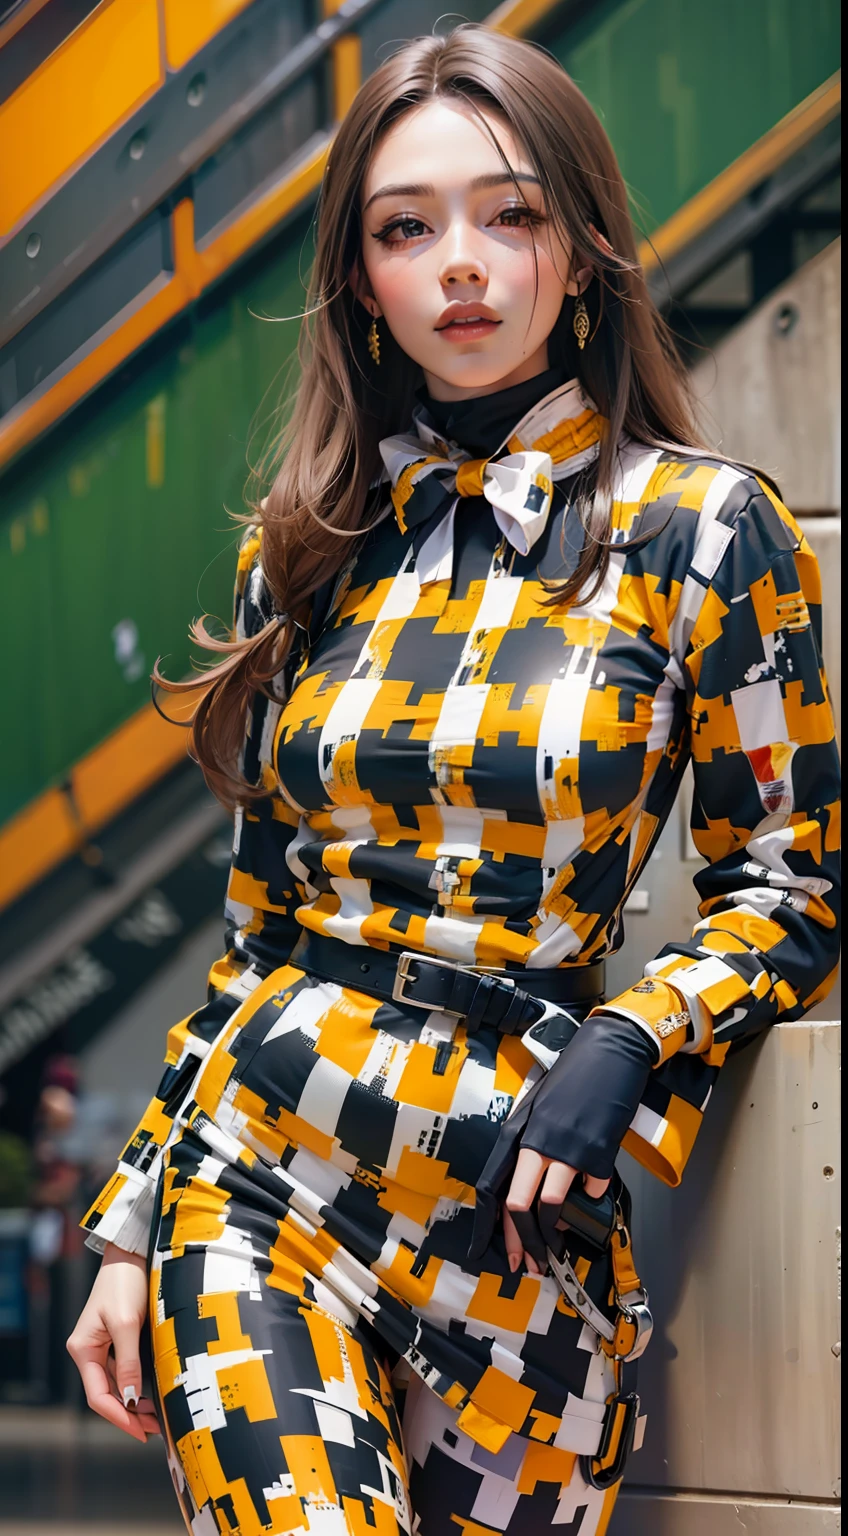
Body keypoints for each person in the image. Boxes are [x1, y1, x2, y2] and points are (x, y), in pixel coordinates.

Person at [67, 25, 840, 1534]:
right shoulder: (311, 544)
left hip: (515, 1203)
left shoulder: (704, 530)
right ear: (362, 280)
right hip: (264, 1163)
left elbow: (795, 883)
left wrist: (636, 1033)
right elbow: (256, 933)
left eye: (510, 213)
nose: (461, 264)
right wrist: (128, 1226)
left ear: (587, 241)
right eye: (405, 229)